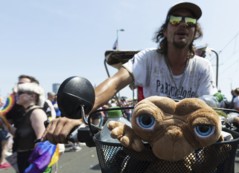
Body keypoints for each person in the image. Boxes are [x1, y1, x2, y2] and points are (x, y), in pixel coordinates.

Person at [45, 2, 217, 144]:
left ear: (195, 31)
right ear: (165, 31)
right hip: (149, 140)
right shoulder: (148, 58)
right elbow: (115, 83)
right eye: (175, 19)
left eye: (190, 21)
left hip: (190, 141)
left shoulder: (203, 66)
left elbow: (210, 106)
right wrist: (81, 114)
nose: (183, 24)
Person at [13, 82, 52, 173]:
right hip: (26, 157)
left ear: (32, 96)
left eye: (20, 93)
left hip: (33, 159)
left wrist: (36, 166)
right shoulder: (28, 112)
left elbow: (42, 141)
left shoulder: (37, 112)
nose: (16, 96)